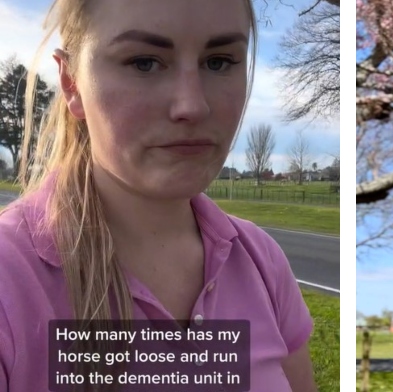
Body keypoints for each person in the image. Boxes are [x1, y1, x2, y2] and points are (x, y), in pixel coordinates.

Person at [0, 0, 318, 391]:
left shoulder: (261, 261)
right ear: (71, 83)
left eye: (218, 62)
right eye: (144, 62)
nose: (192, 105)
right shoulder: (10, 278)